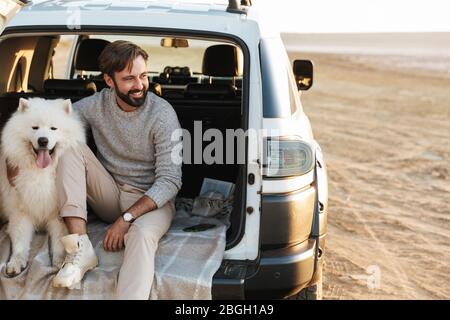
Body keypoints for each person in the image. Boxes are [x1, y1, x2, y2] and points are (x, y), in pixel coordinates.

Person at [6, 40, 182, 299]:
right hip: (108, 192)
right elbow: (49, 122)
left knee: (142, 236)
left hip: (150, 201)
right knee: (69, 144)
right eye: (129, 78)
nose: (140, 85)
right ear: (109, 81)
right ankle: (80, 248)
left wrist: (127, 220)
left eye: (144, 76)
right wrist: (12, 161)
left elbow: (170, 181)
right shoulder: (94, 105)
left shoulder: (163, 114)